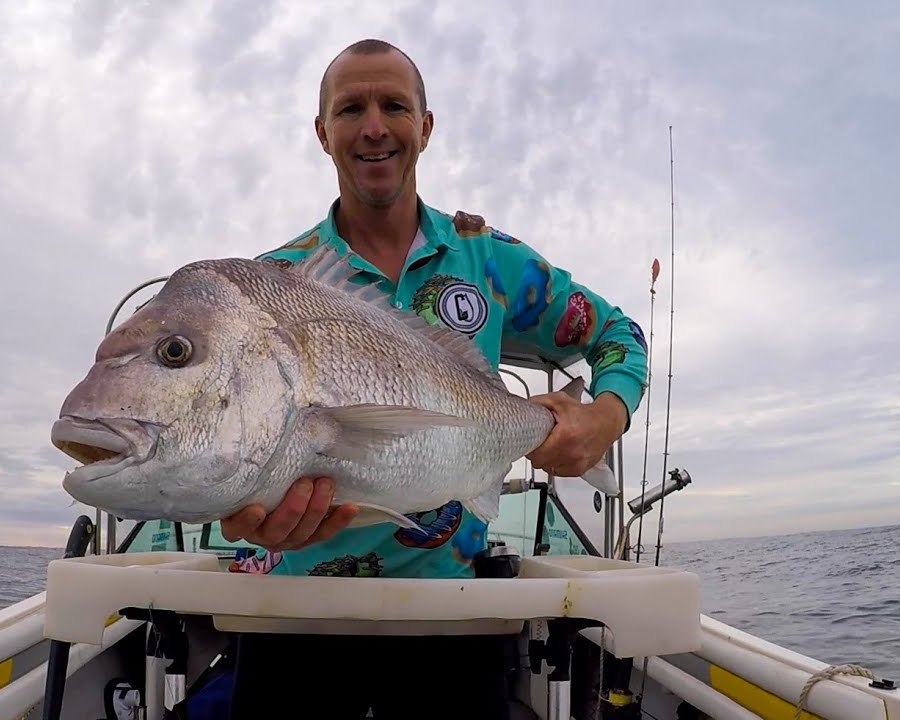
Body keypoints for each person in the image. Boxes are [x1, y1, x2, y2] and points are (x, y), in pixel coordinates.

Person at [216, 38, 649, 719]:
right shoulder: (274, 288)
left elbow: (619, 333)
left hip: (457, 624)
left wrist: (604, 416)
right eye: (350, 108)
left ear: (426, 126)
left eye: (394, 105)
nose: (374, 126)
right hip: (295, 621)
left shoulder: (489, 261)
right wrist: (239, 501)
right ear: (322, 132)